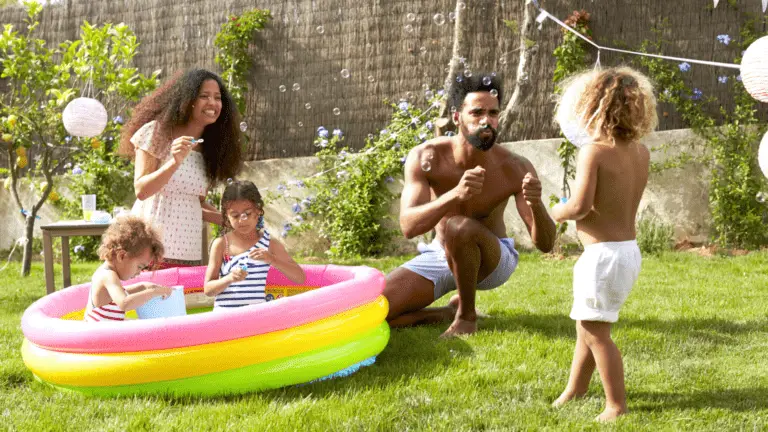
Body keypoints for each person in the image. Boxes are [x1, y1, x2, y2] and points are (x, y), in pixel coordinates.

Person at [383, 73, 557, 338]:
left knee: (459, 227)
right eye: (476, 112)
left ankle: (466, 317)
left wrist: (536, 205)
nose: (486, 120)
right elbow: (409, 227)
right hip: (441, 256)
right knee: (376, 311)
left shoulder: (515, 166)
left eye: (493, 113)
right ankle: (443, 313)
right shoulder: (425, 156)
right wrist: (455, 195)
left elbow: (545, 244)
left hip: (492, 260)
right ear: (457, 117)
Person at [549, 66, 657, 422]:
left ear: (593, 107)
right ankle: (575, 389)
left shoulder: (593, 151)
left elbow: (580, 206)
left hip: (602, 257)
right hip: (626, 251)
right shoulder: (640, 152)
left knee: (597, 334)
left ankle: (616, 405)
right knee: (587, 325)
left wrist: (556, 210)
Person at [119, 68, 243, 269]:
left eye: (217, 97)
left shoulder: (209, 149)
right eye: (204, 96)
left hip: (188, 251)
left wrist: (231, 220)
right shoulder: (156, 132)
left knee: (181, 301)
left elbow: (196, 203)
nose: (212, 103)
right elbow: (141, 190)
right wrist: (174, 162)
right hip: (148, 249)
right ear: (188, 100)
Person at [203, 180, 306, 309]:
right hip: (225, 319)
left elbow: (300, 278)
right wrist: (228, 279)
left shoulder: (269, 244)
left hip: (256, 319)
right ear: (226, 216)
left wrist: (272, 259)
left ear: (257, 211)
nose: (242, 220)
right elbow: (208, 289)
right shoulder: (222, 244)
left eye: (247, 213)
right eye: (235, 216)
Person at [84, 216, 172, 322]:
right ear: (121, 256)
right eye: (139, 267)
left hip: (104, 334)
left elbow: (122, 293)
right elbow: (124, 303)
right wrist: (153, 292)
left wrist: (144, 286)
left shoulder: (109, 275)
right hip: (96, 336)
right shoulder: (107, 275)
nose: (139, 272)